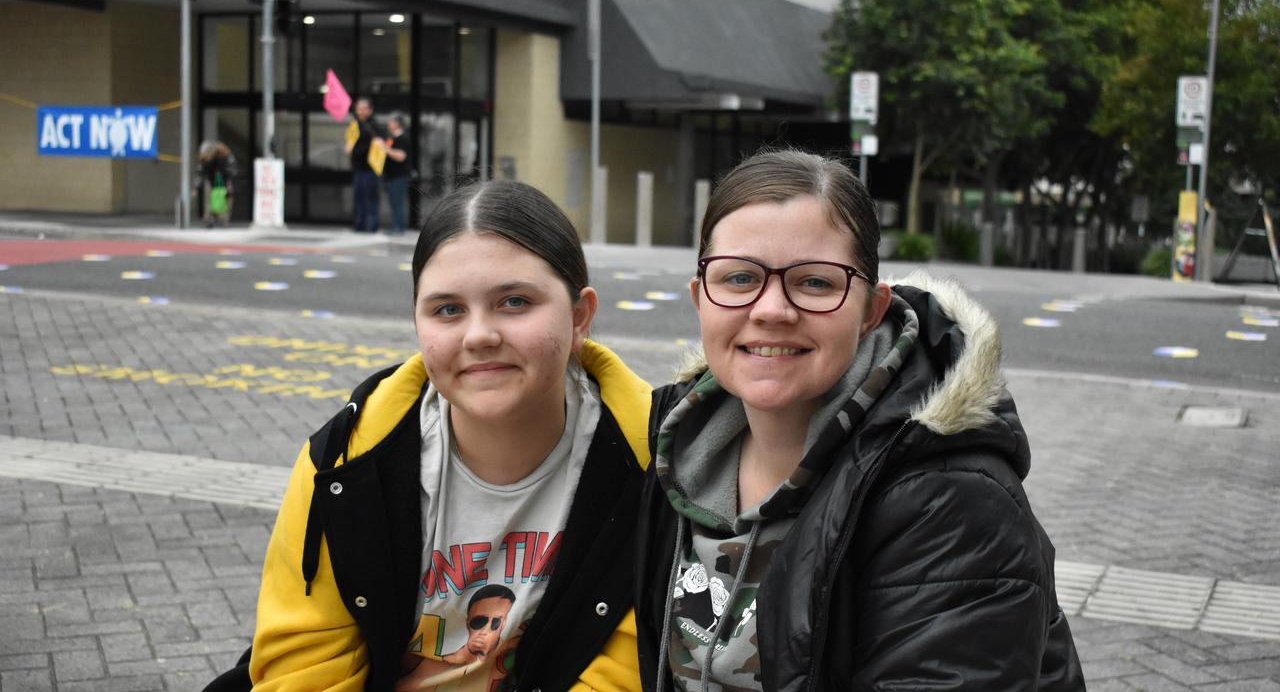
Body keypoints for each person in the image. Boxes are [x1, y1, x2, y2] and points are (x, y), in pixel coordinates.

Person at [635, 150, 1084, 691]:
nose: (772, 309)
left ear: (871, 308)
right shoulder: (667, 449)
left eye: (816, 283)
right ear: (699, 298)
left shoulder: (951, 499)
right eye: (739, 278)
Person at [204, 180, 652, 692]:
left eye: (514, 301)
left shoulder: (653, 470)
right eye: (447, 310)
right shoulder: (344, 466)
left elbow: (625, 672)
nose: (479, 334)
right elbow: (305, 668)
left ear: (579, 317)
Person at [345, 97, 383, 232]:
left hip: (372, 168)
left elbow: (379, 145)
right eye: (358, 108)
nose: (360, 111)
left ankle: (372, 226)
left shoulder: (375, 126)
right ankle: (359, 225)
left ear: (370, 110)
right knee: (359, 198)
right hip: (358, 168)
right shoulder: (354, 125)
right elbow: (350, 145)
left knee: (372, 198)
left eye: (363, 108)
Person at [195, 141, 237, 227]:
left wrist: (230, 181)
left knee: (226, 199)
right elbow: (201, 172)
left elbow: (232, 169)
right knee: (210, 198)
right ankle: (209, 219)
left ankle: (223, 219)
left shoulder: (225, 154)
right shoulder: (204, 159)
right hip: (212, 181)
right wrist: (196, 186)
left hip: (225, 180)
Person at [383, 114, 412, 235]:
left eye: (391, 122)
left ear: (397, 124)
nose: (389, 124)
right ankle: (396, 225)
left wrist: (385, 149)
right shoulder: (391, 139)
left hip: (399, 176)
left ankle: (399, 227)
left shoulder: (403, 138)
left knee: (398, 201)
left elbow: (401, 156)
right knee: (393, 201)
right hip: (391, 175)